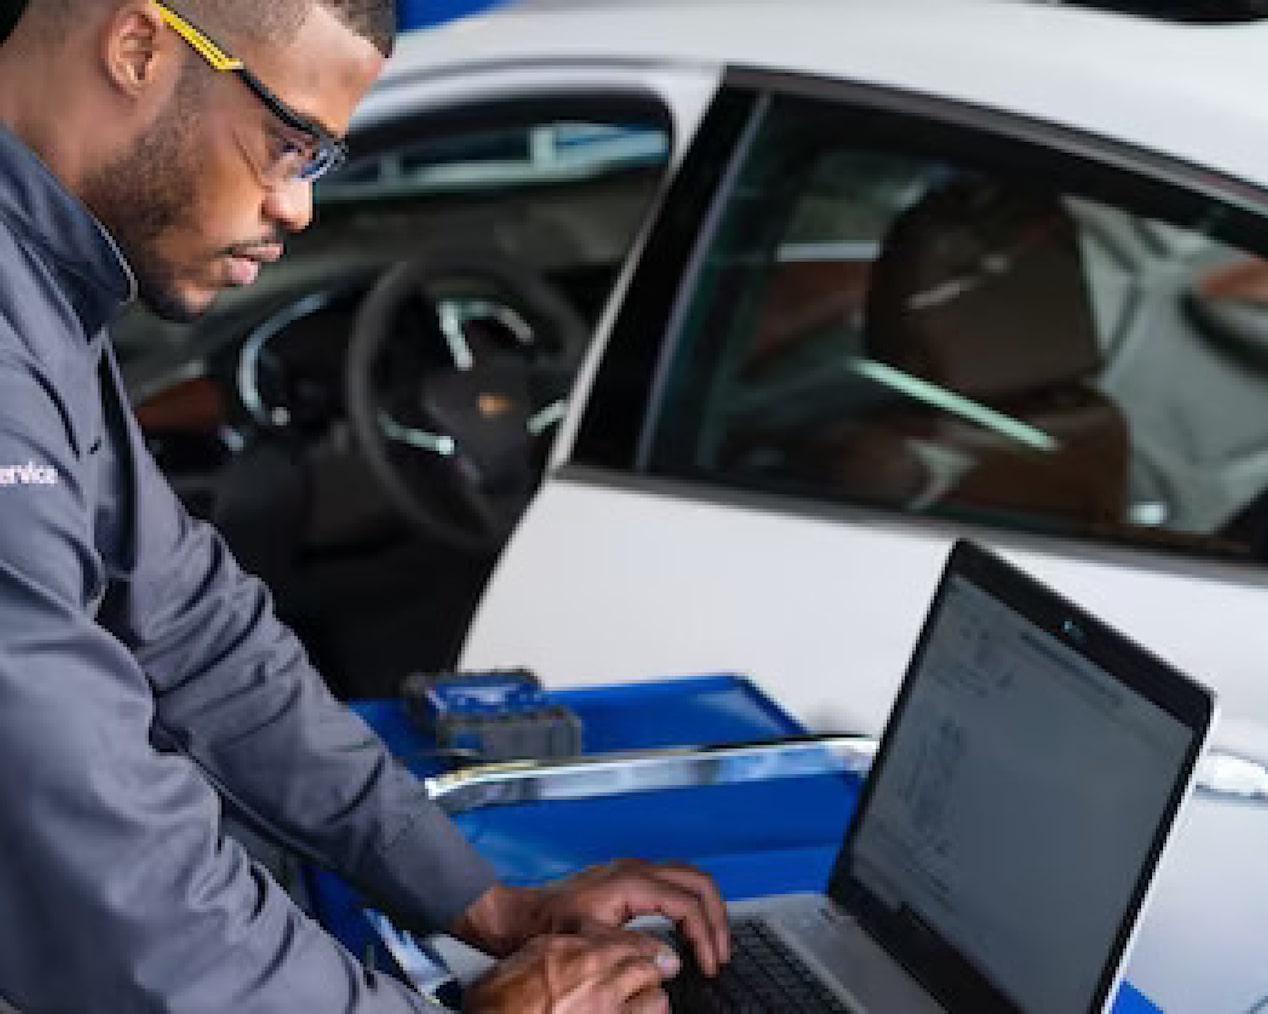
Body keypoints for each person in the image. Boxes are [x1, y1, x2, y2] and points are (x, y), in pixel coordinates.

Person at [0, 1, 730, 1011]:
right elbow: (86, 832)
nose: (298, 208)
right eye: (286, 143)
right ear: (138, 49)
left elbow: (196, 633)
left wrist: (482, 904)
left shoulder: (42, 286)